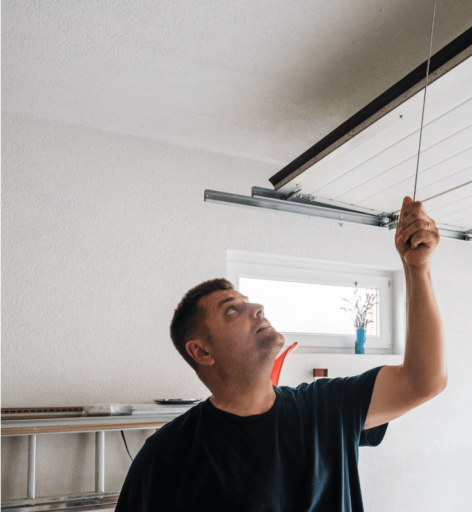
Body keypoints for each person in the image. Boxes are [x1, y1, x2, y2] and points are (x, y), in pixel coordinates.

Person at [115, 196, 447, 511]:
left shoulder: (327, 408)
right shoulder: (167, 457)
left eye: (249, 301)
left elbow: (424, 381)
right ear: (202, 351)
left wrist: (417, 269)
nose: (257, 308)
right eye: (232, 311)